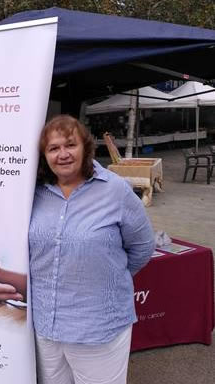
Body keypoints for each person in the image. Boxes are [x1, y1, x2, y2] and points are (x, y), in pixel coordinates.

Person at [29, 115, 155, 384]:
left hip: (97, 325)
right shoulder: (34, 193)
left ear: (85, 147)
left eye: (70, 145)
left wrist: (107, 278)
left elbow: (143, 247)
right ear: (44, 155)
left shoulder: (115, 190)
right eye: (53, 148)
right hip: (45, 325)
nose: (62, 154)